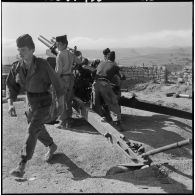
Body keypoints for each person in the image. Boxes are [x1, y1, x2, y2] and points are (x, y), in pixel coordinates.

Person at [7, 34, 64, 178]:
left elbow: (57, 83)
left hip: (45, 101)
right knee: (37, 128)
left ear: (32, 50)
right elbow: (11, 86)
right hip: (30, 103)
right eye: (19, 49)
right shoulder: (16, 66)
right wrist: (10, 104)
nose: (20, 52)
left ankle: (22, 164)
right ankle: (51, 146)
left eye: (24, 49)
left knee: (32, 128)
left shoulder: (43, 64)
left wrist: (61, 104)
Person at [54, 35, 82, 129]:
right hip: (70, 78)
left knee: (61, 100)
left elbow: (58, 71)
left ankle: (62, 122)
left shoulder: (59, 55)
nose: (57, 46)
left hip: (63, 79)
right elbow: (79, 61)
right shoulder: (70, 53)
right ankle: (69, 121)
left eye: (58, 44)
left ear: (63, 44)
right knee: (68, 100)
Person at [92, 51, 124, 131]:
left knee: (96, 103)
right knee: (113, 102)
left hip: (95, 84)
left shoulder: (101, 63)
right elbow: (122, 76)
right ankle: (117, 122)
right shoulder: (114, 65)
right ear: (114, 59)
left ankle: (97, 120)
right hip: (105, 84)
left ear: (106, 57)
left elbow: (93, 72)